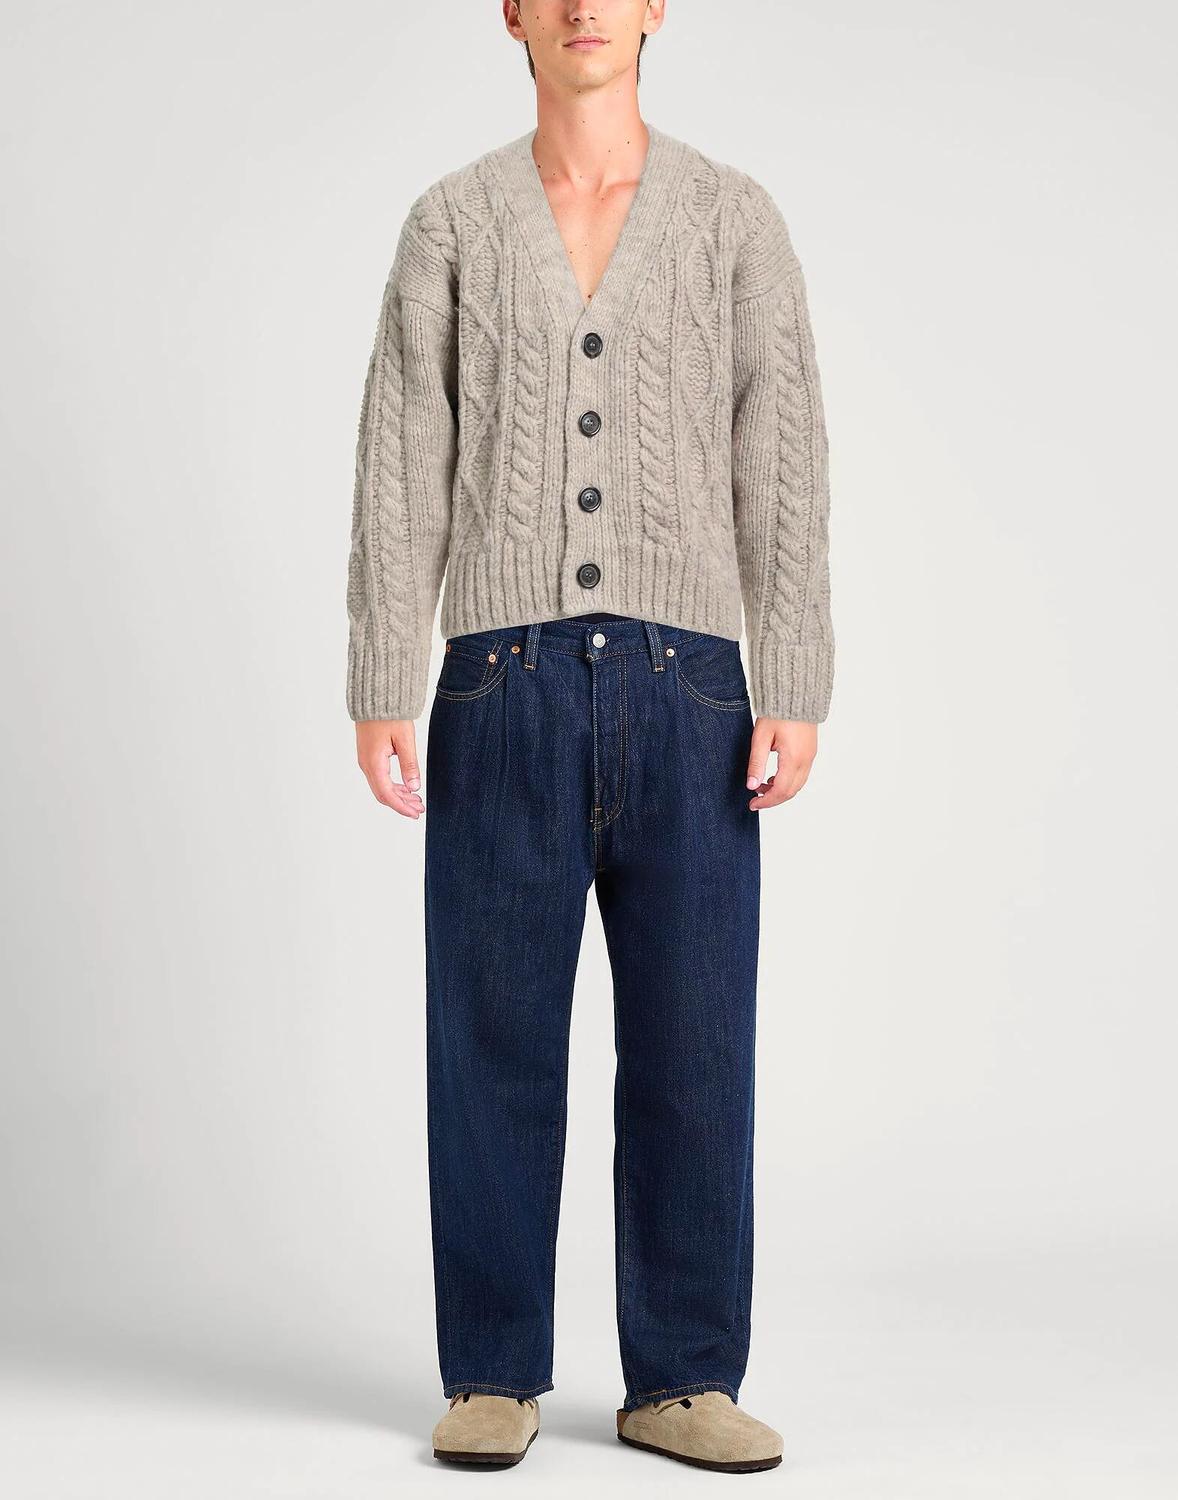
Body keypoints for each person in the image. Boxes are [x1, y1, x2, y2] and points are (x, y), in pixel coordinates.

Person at [345, 0, 832, 1474]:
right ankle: (491, 1367)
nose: (581, 8)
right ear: (510, 11)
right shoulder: (452, 223)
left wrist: (794, 670)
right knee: (490, 1036)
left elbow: (780, 447)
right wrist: (383, 670)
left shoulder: (732, 220)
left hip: (694, 689)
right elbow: (401, 454)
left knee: (694, 1041)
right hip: (501, 681)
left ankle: (681, 1376)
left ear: (653, 6)